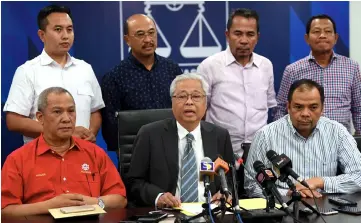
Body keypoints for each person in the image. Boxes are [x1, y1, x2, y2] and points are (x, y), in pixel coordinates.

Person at [1, 87, 127, 217]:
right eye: (57, 112)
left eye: (71, 111)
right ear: (40, 117)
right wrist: (49, 206)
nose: (66, 119)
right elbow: (5, 210)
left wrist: (93, 203)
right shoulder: (18, 159)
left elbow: (119, 199)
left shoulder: (95, 153)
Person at [197, 8, 277, 195]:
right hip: (221, 152)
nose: (243, 40)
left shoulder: (266, 66)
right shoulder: (209, 66)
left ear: (257, 37)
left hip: (258, 153)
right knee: (223, 206)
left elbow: (270, 106)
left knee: (262, 205)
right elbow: (200, 112)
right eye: (237, 33)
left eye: (250, 34)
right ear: (227, 35)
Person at [127, 73, 234, 207]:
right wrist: (158, 197)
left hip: (211, 212)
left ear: (205, 102)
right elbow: (133, 182)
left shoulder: (219, 135)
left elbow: (230, 178)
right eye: (182, 96)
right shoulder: (150, 134)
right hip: (168, 212)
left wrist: (225, 192)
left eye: (196, 96)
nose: (189, 102)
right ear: (172, 102)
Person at [3, 5, 104, 144]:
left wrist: (90, 133)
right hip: (43, 157)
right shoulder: (27, 71)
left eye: (69, 29)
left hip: (82, 155)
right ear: (42, 35)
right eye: (58, 29)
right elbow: (14, 121)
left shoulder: (85, 69)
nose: (65, 35)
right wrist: (67, 133)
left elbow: (95, 111)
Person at [245, 79, 361, 198]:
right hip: (283, 208)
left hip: (326, 208)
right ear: (288, 107)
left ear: (322, 108)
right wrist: (289, 193)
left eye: (313, 107)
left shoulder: (337, 132)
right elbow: (251, 185)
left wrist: (321, 182)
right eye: (298, 107)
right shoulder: (265, 135)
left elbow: (359, 175)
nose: (305, 113)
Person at [101, 14, 182, 151]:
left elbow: (181, 109)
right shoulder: (114, 77)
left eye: (151, 33)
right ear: (127, 40)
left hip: (172, 148)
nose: (148, 39)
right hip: (134, 153)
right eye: (140, 34)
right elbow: (111, 126)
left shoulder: (172, 70)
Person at [274, 14, 361, 135]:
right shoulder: (292, 70)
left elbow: (359, 108)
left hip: (339, 140)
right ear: (307, 38)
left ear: (335, 38)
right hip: (301, 141)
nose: (322, 35)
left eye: (328, 31)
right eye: (316, 31)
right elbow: (281, 108)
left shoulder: (352, 67)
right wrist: (282, 137)